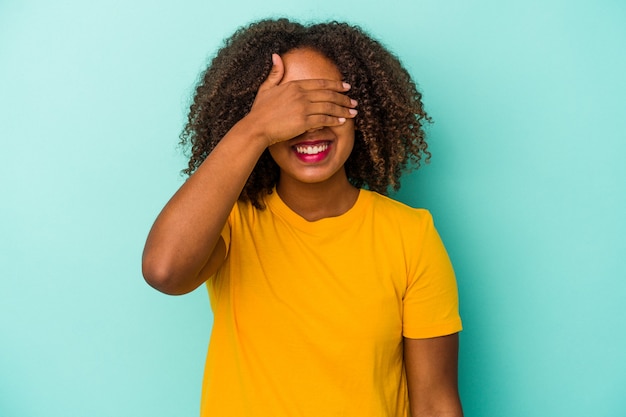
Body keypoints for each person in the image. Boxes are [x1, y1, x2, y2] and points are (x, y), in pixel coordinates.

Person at [142, 18, 463, 417]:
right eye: (287, 108)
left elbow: (435, 404)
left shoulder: (410, 236)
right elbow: (163, 270)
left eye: (326, 102)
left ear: (361, 109)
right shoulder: (231, 224)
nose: (308, 124)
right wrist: (255, 129)